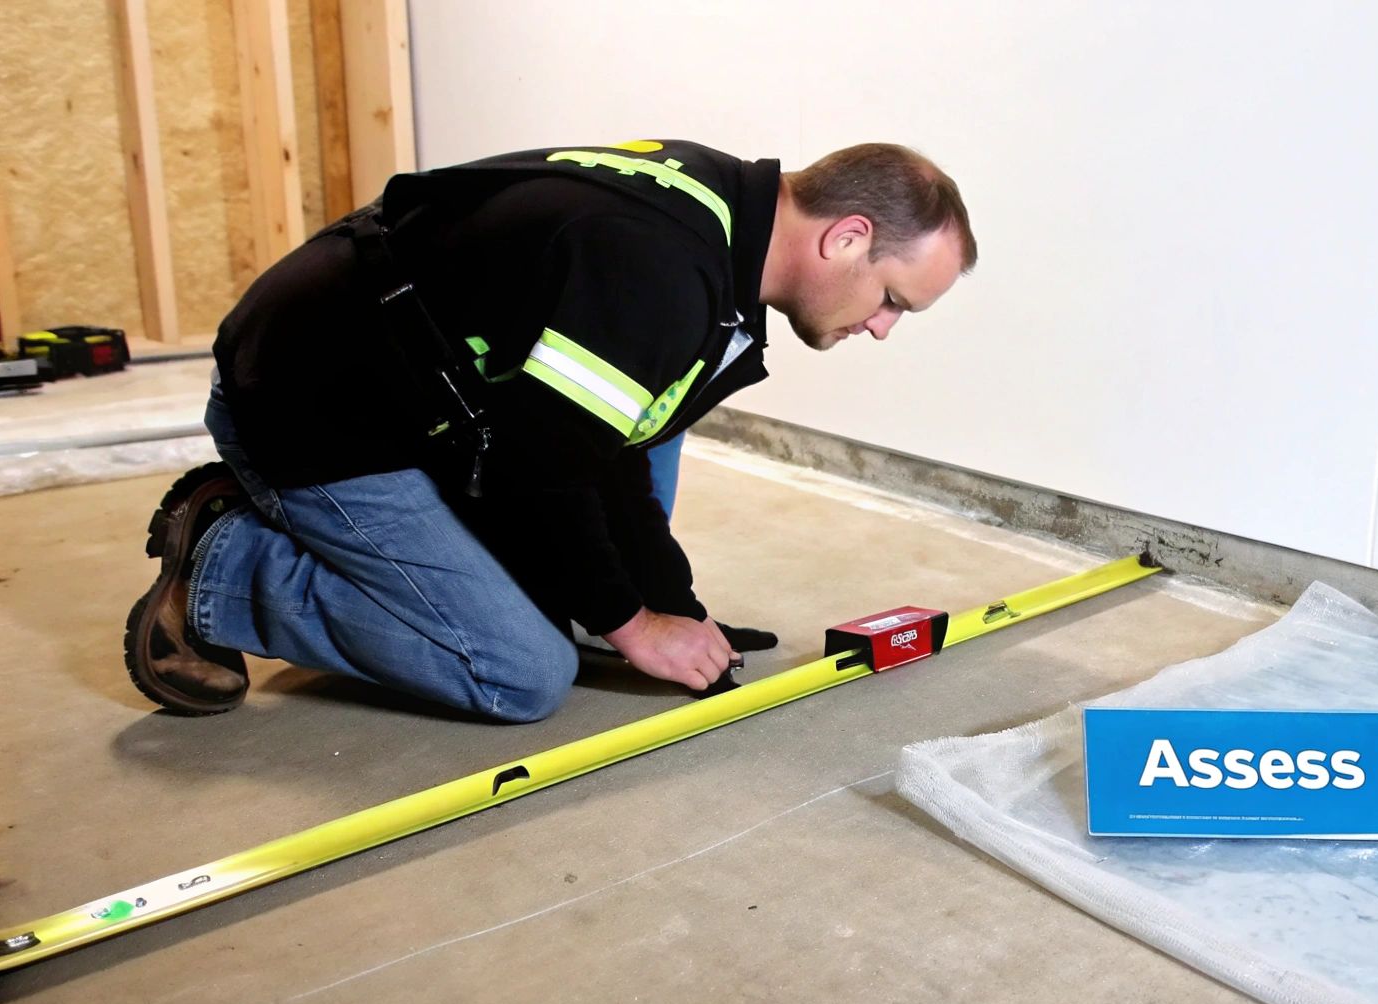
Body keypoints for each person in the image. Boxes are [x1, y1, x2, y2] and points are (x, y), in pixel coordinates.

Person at [124, 140, 977, 723]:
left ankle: (528, 593)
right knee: (518, 671)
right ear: (849, 237)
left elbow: (617, 446)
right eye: (893, 300)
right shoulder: (659, 277)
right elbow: (547, 467)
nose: (883, 328)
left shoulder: (720, 218)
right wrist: (631, 625)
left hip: (433, 390)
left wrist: (666, 604)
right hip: (312, 409)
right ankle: (225, 558)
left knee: (630, 442)